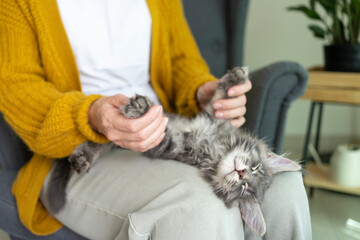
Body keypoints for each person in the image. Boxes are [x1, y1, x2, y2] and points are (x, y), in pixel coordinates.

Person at [0, 0, 312, 239]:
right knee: (198, 206)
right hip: (77, 153)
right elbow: (16, 87)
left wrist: (201, 92)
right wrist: (90, 115)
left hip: (169, 132)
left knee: (284, 186)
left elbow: (181, 62)